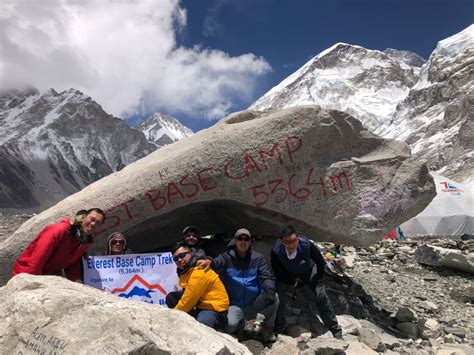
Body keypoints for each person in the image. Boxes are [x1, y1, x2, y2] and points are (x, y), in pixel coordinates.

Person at [271, 225, 342, 338]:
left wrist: (319, 282)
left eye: (293, 241)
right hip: (287, 274)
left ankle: (335, 330)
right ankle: (278, 325)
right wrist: (293, 282)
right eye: (286, 242)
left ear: (298, 238)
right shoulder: (276, 250)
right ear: (282, 241)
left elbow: (320, 263)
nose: (291, 245)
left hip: (307, 271)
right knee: (279, 297)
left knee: (321, 296)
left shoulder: (307, 245)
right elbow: (278, 272)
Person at [211, 228, 278, 340]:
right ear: (235, 241)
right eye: (240, 238)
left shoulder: (258, 258)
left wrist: (270, 290)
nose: (243, 241)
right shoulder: (226, 257)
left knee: (274, 297)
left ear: (250, 241)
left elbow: (265, 276)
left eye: (246, 239)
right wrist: (209, 261)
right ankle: (239, 325)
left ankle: (267, 328)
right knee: (229, 327)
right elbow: (216, 263)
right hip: (235, 305)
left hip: (254, 301)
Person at [12, 208, 105, 282]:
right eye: (92, 219)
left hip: (49, 278)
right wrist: (31, 280)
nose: (93, 224)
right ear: (83, 217)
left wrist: (76, 280)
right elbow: (38, 256)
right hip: (27, 274)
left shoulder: (84, 241)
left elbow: (72, 263)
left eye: (98, 223)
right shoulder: (61, 230)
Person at [166, 243, 229, 330]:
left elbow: (188, 301)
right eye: (176, 258)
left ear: (190, 254)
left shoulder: (199, 271)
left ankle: (221, 328)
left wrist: (171, 316)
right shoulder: (187, 270)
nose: (179, 260)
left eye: (182, 255)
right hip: (201, 304)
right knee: (171, 298)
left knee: (202, 325)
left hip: (214, 309)